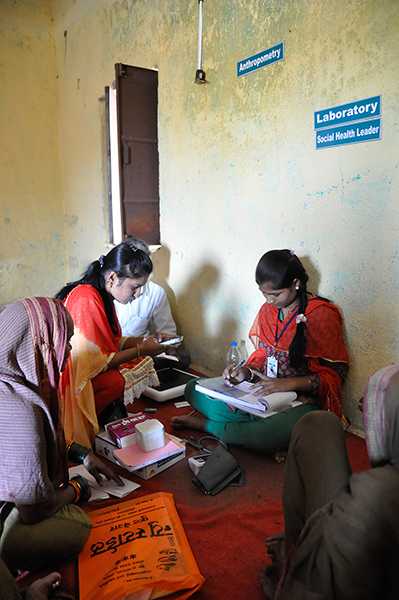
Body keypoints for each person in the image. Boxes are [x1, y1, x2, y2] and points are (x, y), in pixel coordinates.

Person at [173, 249, 349, 453]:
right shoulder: (268, 310)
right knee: (193, 388)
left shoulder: (320, 314)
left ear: (295, 284)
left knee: (266, 435)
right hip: (263, 393)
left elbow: (337, 374)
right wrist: (245, 372)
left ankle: (210, 426)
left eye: (275, 294)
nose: (269, 300)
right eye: (264, 294)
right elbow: (263, 355)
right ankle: (245, 424)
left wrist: (289, 384)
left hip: (302, 402)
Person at [0, 298, 121, 575]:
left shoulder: (13, 381)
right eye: (64, 340)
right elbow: (33, 511)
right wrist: (77, 488)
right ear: (40, 344)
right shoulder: (19, 409)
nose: (67, 349)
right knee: (76, 526)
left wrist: (81, 453)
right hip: (11, 512)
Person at [263, 364, 399, 599]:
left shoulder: (374, 495)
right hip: (272, 401)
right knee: (318, 424)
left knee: (312, 422)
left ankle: (295, 556)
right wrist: (245, 373)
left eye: (369, 408)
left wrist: (296, 384)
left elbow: (331, 378)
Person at [56, 242, 163, 446]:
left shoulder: (102, 295)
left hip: (86, 371)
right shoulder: (86, 298)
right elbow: (95, 362)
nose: (138, 293)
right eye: (135, 286)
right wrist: (141, 349)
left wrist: (143, 341)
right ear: (113, 278)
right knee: (117, 380)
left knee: (136, 361)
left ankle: (104, 416)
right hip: (71, 384)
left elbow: (110, 342)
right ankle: (83, 427)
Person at [114, 237, 177, 338]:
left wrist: (166, 344)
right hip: (112, 351)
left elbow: (168, 334)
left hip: (142, 350)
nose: (136, 292)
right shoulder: (109, 290)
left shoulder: (156, 292)